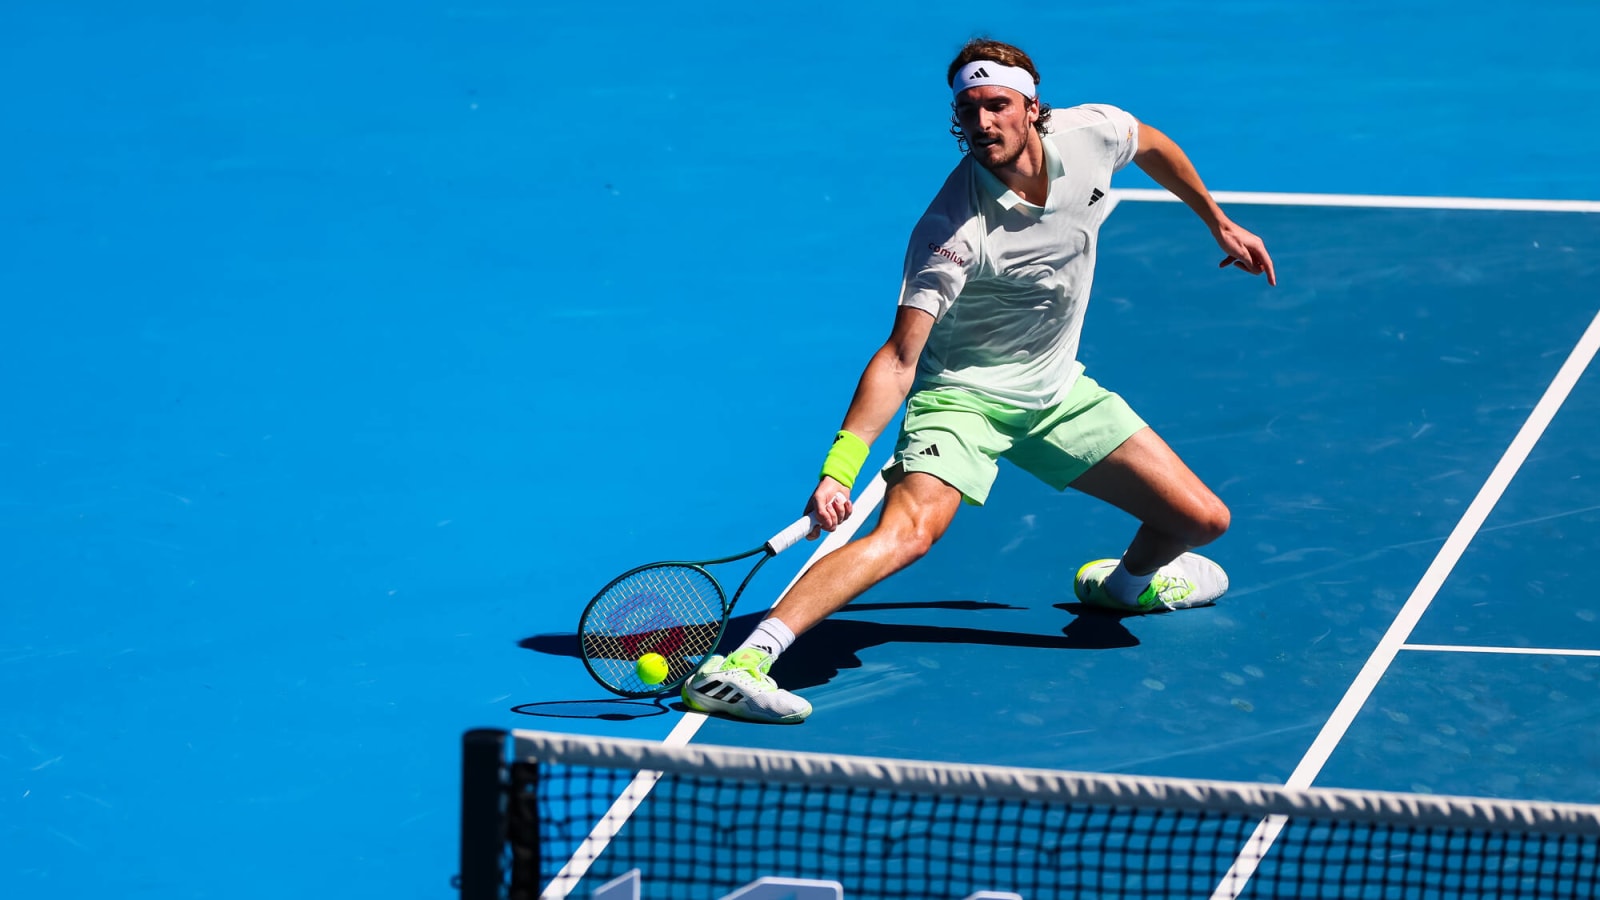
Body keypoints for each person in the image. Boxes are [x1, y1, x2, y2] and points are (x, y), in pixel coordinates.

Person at [683, 37, 1276, 724]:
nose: (983, 123)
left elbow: (1149, 143)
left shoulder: (1092, 133)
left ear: (1033, 108)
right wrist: (838, 471)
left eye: (997, 105)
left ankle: (1124, 588)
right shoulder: (950, 232)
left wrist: (1218, 221)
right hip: (962, 400)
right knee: (908, 535)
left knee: (1201, 520)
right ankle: (740, 664)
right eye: (968, 111)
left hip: (1054, 392)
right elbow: (899, 358)